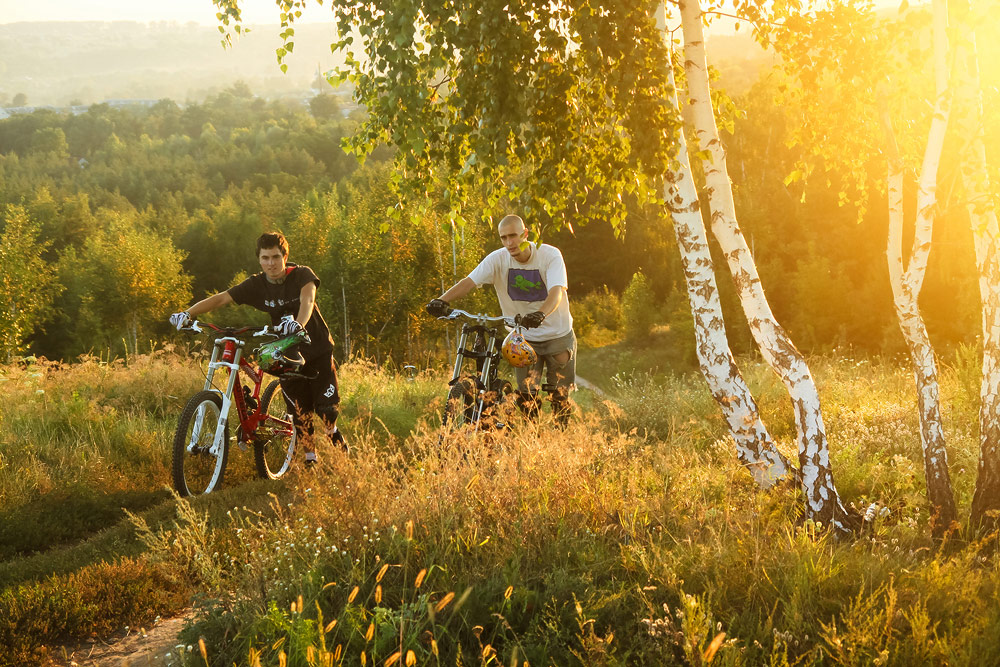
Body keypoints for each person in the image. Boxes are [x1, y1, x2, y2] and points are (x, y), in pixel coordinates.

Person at [170, 232, 344, 464]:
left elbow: (308, 301)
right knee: (300, 414)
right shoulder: (257, 285)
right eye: (265, 258)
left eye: (275, 257)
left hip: (317, 351)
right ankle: (311, 459)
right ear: (259, 260)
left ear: (285, 256)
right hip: (287, 353)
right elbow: (221, 299)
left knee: (327, 411)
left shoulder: (302, 275)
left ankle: (333, 433)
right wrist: (187, 313)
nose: (270, 263)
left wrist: (297, 325)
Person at [426, 214, 576, 423]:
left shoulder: (549, 255)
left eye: (513, 236)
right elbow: (469, 282)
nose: (509, 243)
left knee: (559, 395)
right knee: (526, 397)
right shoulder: (497, 259)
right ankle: (535, 440)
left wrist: (541, 314)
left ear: (525, 234)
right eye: (503, 238)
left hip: (556, 333)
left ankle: (562, 437)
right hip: (522, 337)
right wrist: (441, 301)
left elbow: (556, 292)